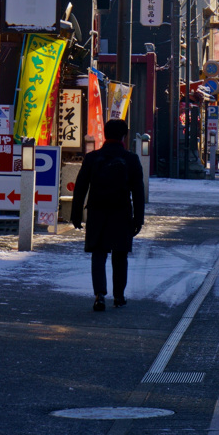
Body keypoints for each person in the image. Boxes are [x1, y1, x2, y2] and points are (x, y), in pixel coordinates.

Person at [71, 118, 145, 311]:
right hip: (121, 212)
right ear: (124, 136)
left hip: (97, 211)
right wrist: (139, 219)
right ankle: (119, 296)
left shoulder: (93, 158)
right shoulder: (131, 159)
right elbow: (138, 192)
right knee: (120, 256)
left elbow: (80, 188)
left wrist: (76, 215)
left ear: (105, 134)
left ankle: (99, 295)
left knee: (98, 254)